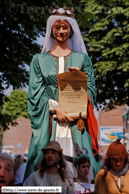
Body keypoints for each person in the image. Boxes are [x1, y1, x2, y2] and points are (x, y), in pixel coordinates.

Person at [24, 5, 100, 181]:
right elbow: (35, 94)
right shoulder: (39, 60)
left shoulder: (83, 59)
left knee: (81, 168)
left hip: (76, 123)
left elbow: (91, 91)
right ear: (51, 29)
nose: (61, 31)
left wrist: (78, 79)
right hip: (51, 122)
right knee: (46, 166)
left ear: (71, 29)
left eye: (65, 27)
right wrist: (55, 108)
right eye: (57, 27)